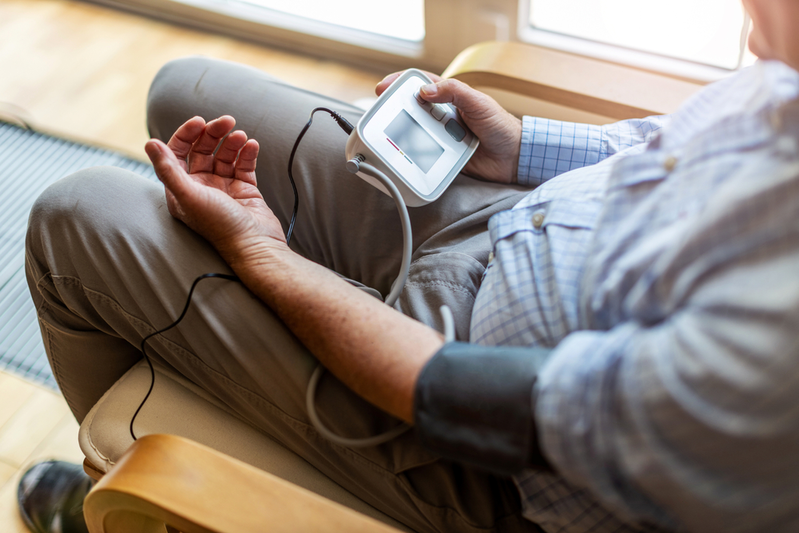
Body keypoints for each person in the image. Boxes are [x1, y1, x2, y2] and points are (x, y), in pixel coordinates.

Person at [17, 0, 799, 531]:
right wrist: (520, 144)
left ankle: (100, 501)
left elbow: (462, 393)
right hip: (507, 230)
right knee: (182, 92)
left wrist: (262, 253)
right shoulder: (785, 81)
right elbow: (669, 144)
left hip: (477, 439)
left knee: (73, 219)